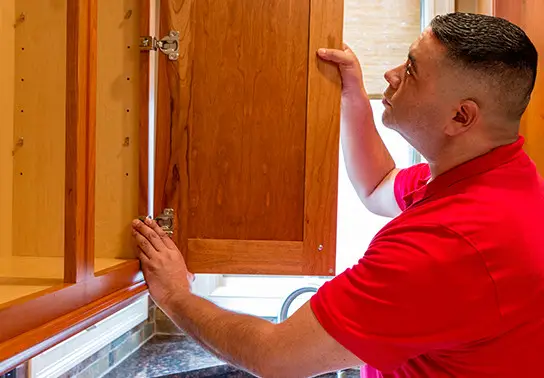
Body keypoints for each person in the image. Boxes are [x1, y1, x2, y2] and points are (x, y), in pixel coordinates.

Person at [131, 12, 544, 378]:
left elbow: (276, 357)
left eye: (413, 70)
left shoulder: (449, 242)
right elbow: (379, 185)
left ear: (460, 116)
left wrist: (175, 295)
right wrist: (352, 95)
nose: (392, 74)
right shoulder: (495, 179)